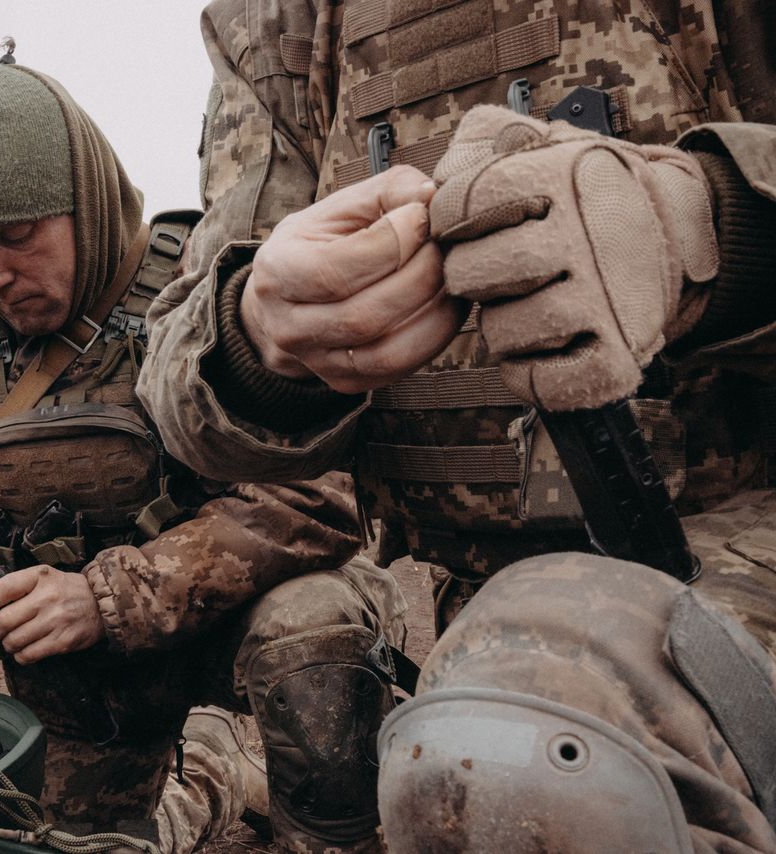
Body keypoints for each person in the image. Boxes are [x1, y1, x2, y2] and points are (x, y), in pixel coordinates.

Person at [137, 1, 776, 851]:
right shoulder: (275, 20)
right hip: (473, 618)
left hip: (738, 541)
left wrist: (706, 231)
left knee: (540, 764)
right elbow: (179, 377)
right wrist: (261, 340)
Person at [0, 61, 412, 853]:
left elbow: (315, 498)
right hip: (72, 672)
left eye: (18, 237)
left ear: (87, 204)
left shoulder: (215, 293)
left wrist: (107, 597)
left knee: (314, 635)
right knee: (95, 845)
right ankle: (218, 777)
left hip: (231, 623)